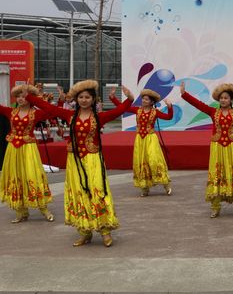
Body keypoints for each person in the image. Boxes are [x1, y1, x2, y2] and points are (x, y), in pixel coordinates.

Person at [26, 80, 133, 247]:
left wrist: (130, 98)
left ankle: (105, 231)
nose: (84, 100)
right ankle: (85, 231)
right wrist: (28, 95)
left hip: (93, 160)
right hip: (75, 161)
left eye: (87, 97)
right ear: (76, 99)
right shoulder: (69, 115)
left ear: (93, 99)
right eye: (81, 97)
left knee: (97, 191)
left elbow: (119, 110)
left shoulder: (99, 117)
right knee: (78, 193)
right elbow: (48, 107)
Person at [180, 81, 233, 218]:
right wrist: (184, 94)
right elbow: (198, 104)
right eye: (221, 98)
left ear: (231, 99)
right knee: (217, 174)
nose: (223, 100)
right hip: (218, 148)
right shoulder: (213, 112)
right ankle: (215, 207)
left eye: (226, 98)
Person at [0, 84, 54, 223]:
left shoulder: (35, 113)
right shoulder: (11, 112)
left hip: (29, 149)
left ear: (30, 98)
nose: (20, 99)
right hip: (13, 149)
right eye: (18, 96)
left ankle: (44, 209)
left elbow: (50, 111)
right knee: (15, 176)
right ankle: (21, 211)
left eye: (23, 96)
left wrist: (36, 98)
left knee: (32, 176)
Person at [109, 88, 174, 197]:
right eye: (143, 98)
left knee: (154, 160)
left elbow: (169, 117)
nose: (144, 101)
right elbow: (122, 107)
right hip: (140, 139)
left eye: (146, 99)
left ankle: (166, 185)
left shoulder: (155, 112)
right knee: (141, 161)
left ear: (152, 102)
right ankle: (144, 187)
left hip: (151, 139)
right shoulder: (137, 110)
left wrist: (169, 106)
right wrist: (112, 98)